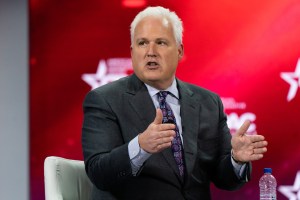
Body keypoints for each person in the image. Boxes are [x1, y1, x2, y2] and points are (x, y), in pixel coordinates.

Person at [82, 6, 268, 200]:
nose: (150, 52)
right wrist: (140, 146)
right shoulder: (105, 100)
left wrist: (236, 159)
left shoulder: (209, 102)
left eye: (161, 43)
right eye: (142, 43)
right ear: (132, 51)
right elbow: (98, 173)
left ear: (179, 51)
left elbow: (223, 179)